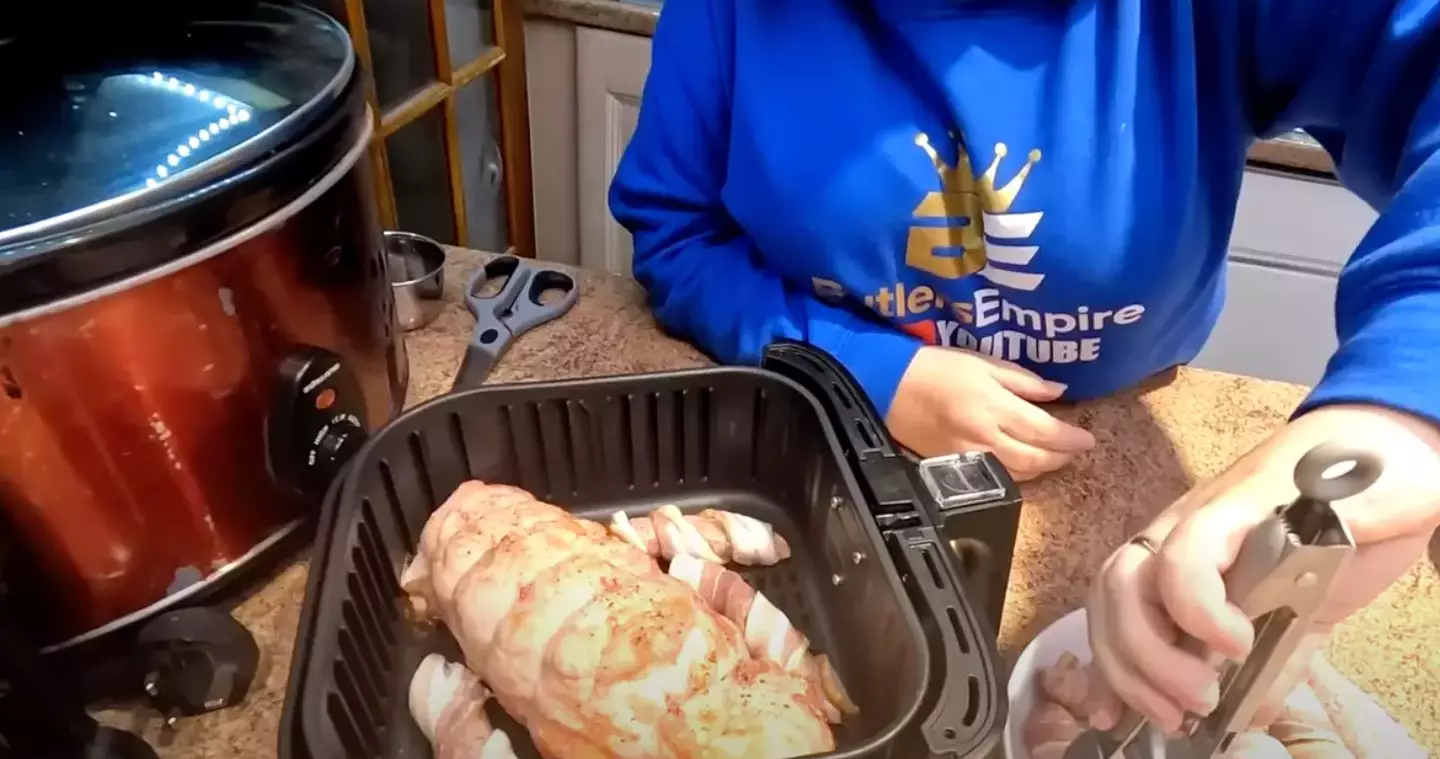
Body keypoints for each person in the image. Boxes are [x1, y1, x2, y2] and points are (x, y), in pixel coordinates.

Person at [608, 0, 1440, 736]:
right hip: (821, 426)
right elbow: (678, 233)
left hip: (1116, 426)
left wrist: (1398, 408)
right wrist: (869, 370)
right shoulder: (730, 14)